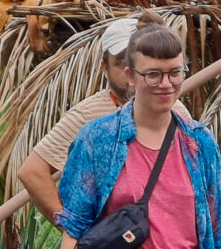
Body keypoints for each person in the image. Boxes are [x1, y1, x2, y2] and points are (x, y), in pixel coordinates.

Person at [57, 24, 221, 249]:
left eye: (175, 72)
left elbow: (220, 243)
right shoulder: (99, 139)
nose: (166, 83)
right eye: (153, 74)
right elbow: (73, 233)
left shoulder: (199, 143)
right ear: (130, 76)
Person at [14, 16, 139, 219]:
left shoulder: (173, 108)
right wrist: (72, 230)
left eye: (138, 63)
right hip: (115, 240)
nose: (130, 72)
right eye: (121, 63)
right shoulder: (88, 115)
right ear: (104, 67)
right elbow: (32, 172)